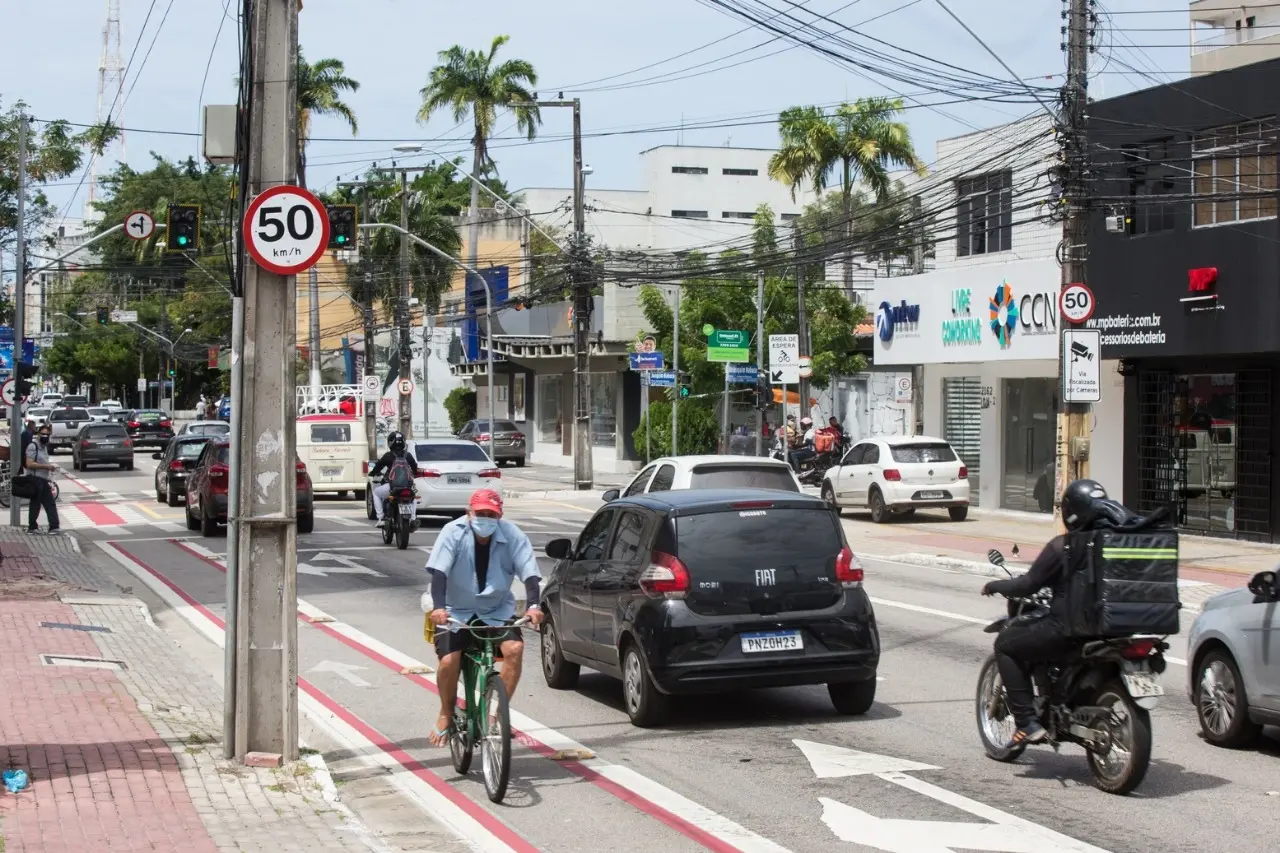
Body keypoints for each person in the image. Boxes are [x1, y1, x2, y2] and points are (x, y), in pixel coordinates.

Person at [980, 478, 1110, 746]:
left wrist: (995, 585)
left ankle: (1027, 722)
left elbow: (1029, 584)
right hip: (1112, 630)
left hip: (1071, 630)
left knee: (1005, 644)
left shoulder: (1063, 546)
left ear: (1070, 513)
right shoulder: (1116, 545)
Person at [424, 488, 543, 746]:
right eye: (480, 513)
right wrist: (439, 607)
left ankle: (499, 716)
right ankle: (445, 712)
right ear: (469, 512)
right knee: (449, 661)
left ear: (499, 516)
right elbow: (439, 573)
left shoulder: (512, 535)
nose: (485, 518)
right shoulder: (452, 532)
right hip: (454, 610)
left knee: (514, 649)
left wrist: (534, 606)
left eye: (491, 514)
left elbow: (530, 574)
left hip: (497, 610)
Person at [368, 431, 419, 528]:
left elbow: (377, 467)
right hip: (407, 487)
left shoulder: (388, 456)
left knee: (376, 493)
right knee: (413, 497)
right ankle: (412, 518)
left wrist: (373, 473)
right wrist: (415, 474)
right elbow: (415, 468)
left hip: (392, 487)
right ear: (403, 442)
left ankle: (381, 518)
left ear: (390, 443)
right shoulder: (408, 455)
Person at [23, 424, 61, 534]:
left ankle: (49, 527)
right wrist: (46, 467)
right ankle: (36, 527)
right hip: (35, 479)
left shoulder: (44, 447)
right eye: (43, 434)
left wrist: (50, 468)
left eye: (47, 434)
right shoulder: (33, 446)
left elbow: (43, 461)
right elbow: (29, 464)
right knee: (40, 503)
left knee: (44, 503)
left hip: (43, 479)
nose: (45, 436)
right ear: (38, 434)